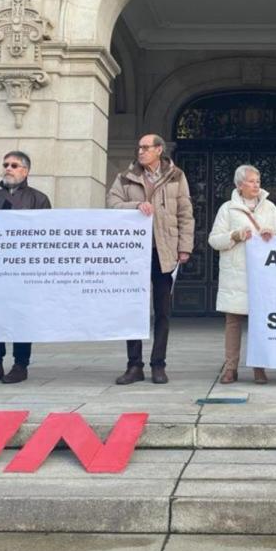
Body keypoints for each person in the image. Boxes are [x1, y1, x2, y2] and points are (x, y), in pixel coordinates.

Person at [107, 134, 194, 385]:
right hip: (135, 253)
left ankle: (159, 364)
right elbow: (112, 204)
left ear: (159, 150)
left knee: (163, 311)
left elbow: (185, 213)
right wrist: (136, 205)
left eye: (146, 148)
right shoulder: (126, 176)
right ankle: (134, 365)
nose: (141, 151)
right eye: (139, 148)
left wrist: (184, 247)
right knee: (133, 309)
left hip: (164, 251)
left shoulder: (176, 176)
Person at [0, 151, 51, 384]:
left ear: (25, 171)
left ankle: (20, 364)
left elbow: (47, 233)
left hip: (23, 270)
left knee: (21, 317)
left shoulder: (38, 199)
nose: (8, 168)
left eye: (14, 165)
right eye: (6, 164)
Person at [209, 165, 276, 385]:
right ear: (239, 185)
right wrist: (235, 234)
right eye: (251, 181)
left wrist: (273, 235)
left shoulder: (270, 208)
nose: (256, 184)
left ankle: (259, 368)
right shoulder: (228, 209)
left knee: (259, 323)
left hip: (262, 274)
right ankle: (230, 368)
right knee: (233, 322)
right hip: (236, 274)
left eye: (258, 180)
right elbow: (214, 240)